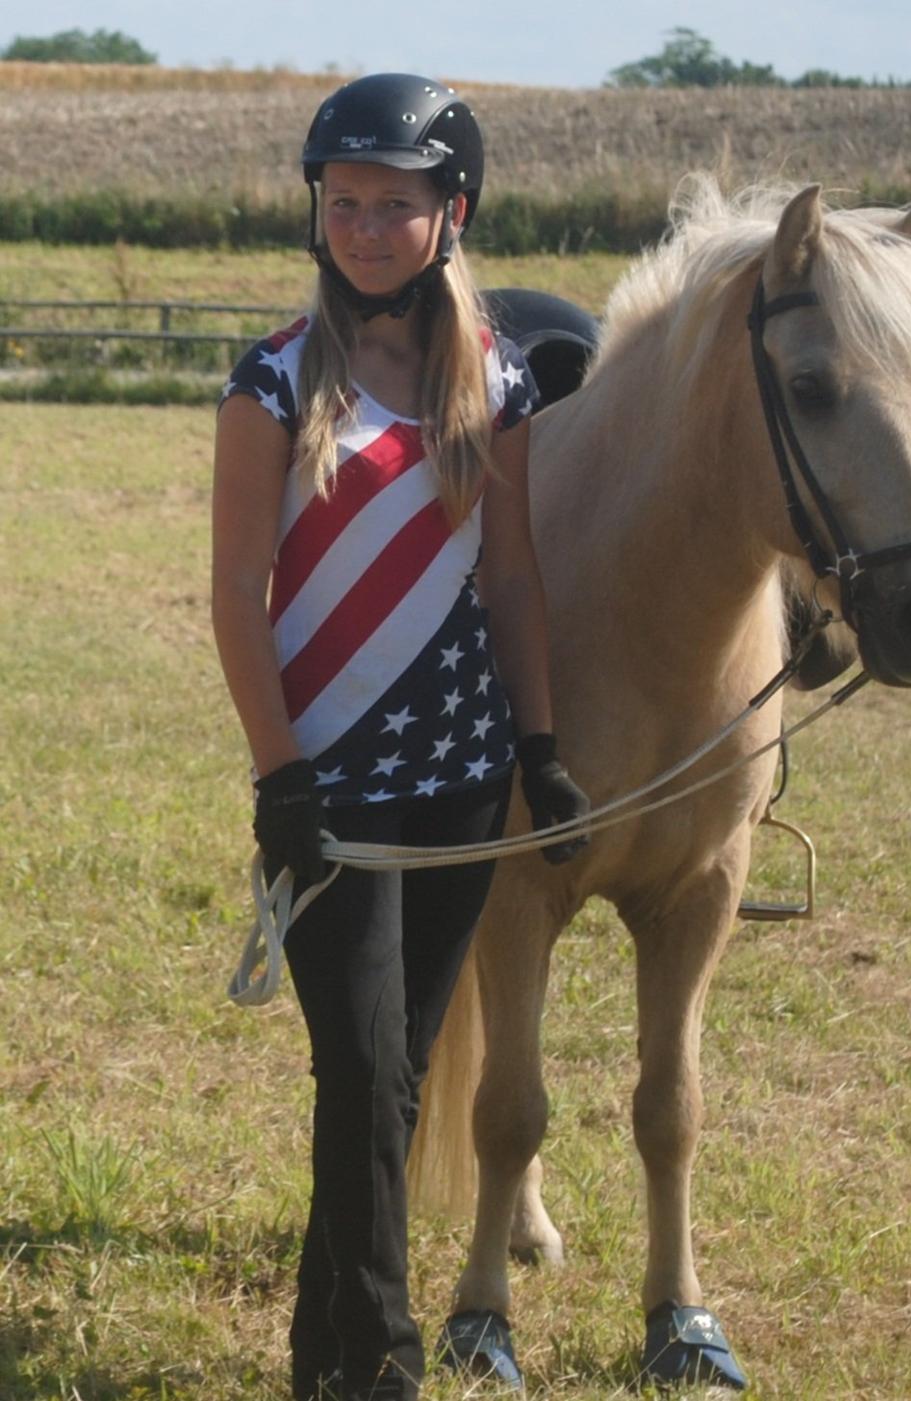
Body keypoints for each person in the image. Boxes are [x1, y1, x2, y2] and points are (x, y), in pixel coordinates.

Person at [211, 73, 589, 1401]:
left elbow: (514, 579)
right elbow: (234, 592)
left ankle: (323, 1351)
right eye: (346, 201)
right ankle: (379, 1367)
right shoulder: (270, 378)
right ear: (318, 213)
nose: (368, 226)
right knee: (363, 1070)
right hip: (329, 791)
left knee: (395, 1081)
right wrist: (277, 773)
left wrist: (537, 748)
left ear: (452, 213)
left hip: (459, 781)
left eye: (397, 204)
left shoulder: (496, 378)